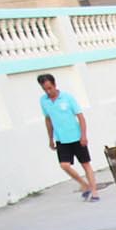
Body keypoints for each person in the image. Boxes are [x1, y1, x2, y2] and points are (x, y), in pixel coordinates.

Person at [37, 73, 98, 201]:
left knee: (85, 164)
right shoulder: (44, 101)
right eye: (45, 89)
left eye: (50, 88)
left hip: (76, 136)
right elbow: (48, 120)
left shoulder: (67, 98)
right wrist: (50, 138)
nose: (48, 92)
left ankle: (94, 192)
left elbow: (80, 117)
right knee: (64, 165)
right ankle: (84, 184)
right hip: (61, 139)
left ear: (55, 85)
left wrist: (83, 135)